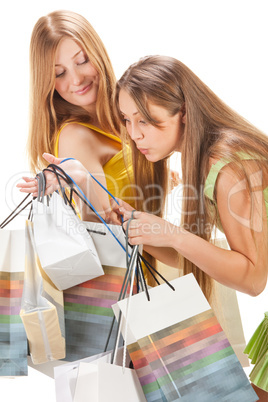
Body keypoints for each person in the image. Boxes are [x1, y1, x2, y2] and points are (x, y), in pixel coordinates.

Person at [109, 55, 268, 400]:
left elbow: (254, 279)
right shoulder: (205, 157)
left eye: (145, 121)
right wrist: (144, 232)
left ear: (183, 112)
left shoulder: (229, 166)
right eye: (126, 120)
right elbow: (201, 258)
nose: (134, 134)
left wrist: (173, 234)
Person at [18, 10, 139, 362]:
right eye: (59, 73)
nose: (76, 79)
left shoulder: (122, 119)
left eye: (81, 60)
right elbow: (103, 232)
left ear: (97, 52)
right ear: (48, 82)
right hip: (126, 296)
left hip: (155, 273)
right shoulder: (74, 136)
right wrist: (83, 180)